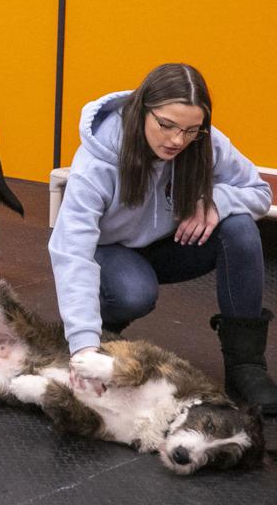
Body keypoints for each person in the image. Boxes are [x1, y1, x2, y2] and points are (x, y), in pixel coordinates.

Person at [49, 62, 276, 414]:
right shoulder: (97, 163)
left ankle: (246, 366)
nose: (177, 140)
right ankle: (100, 334)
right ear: (143, 110)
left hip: (170, 245)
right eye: (166, 125)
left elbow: (259, 191)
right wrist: (82, 346)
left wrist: (217, 201)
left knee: (240, 228)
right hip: (111, 253)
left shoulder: (205, 142)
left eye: (190, 130)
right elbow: (72, 251)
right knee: (134, 293)